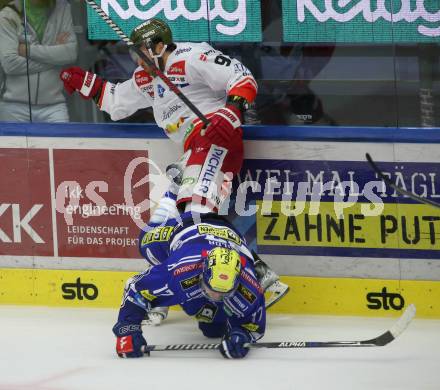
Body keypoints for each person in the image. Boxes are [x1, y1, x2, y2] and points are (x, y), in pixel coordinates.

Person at [60, 18, 257, 214]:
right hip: (191, 150)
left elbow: (242, 77)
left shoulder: (191, 57)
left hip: (215, 139)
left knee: (196, 210)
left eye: (141, 52)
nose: (138, 60)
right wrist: (84, 82)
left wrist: (229, 114)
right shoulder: (146, 76)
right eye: (134, 54)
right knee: (167, 218)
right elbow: (116, 101)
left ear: (160, 46)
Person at [135, 164, 289, 326]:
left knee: (183, 235)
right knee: (163, 240)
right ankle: (259, 270)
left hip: (200, 221)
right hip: (198, 224)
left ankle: (259, 270)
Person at [113, 219, 266, 359]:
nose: (215, 296)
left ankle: (260, 267)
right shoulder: (180, 271)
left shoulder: (250, 287)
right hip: (187, 226)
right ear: (202, 272)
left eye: (223, 293)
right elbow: (136, 287)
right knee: (146, 242)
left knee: (213, 330)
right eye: (212, 289)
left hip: (232, 235)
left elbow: (254, 327)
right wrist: (128, 330)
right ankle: (158, 272)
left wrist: (241, 335)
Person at [0, 0, 78, 122]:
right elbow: (10, 64)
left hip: (54, 106)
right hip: (14, 107)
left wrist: (28, 51)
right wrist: (55, 57)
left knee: (63, 141)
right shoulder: (8, 14)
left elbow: (70, 53)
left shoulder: (62, 8)